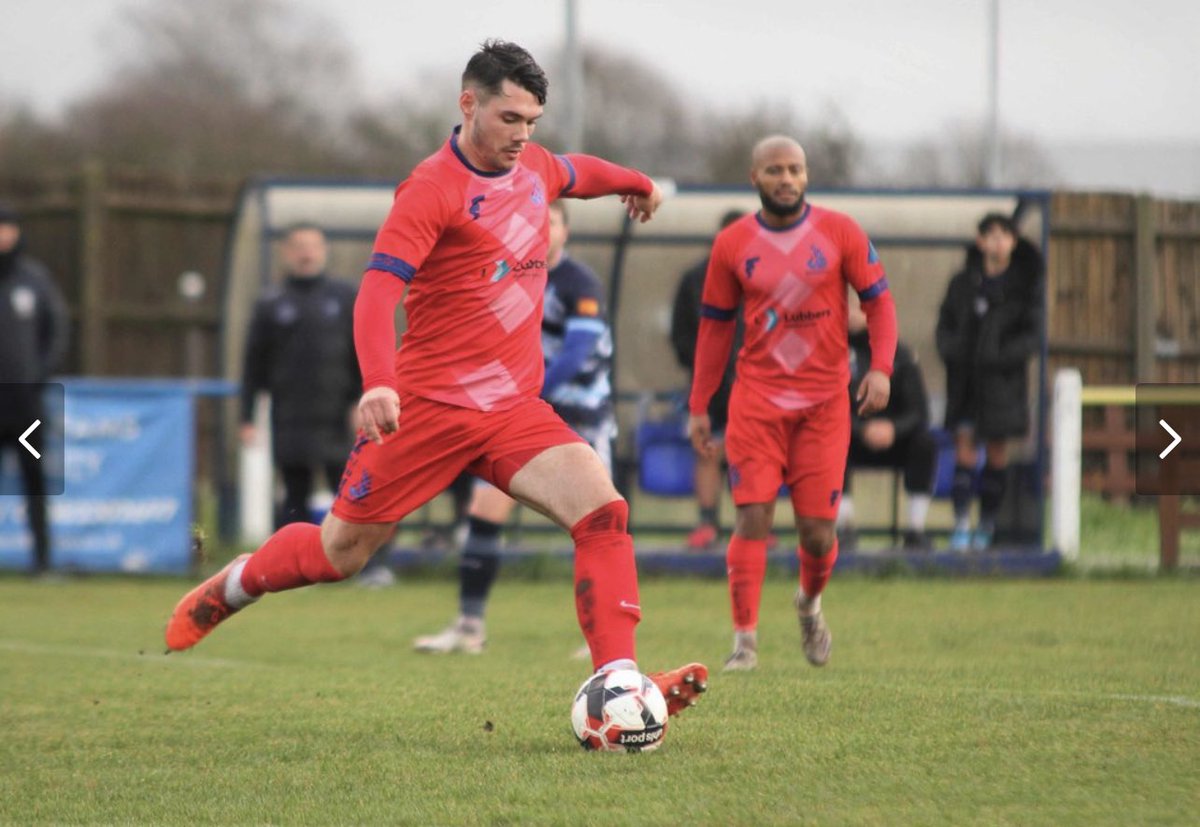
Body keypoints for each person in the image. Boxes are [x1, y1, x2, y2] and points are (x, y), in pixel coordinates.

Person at [165, 40, 707, 715]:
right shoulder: (431, 189)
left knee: (603, 513)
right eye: (509, 118)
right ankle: (234, 585)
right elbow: (377, 292)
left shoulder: (534, 166)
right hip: (426, 408)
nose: (522, 135)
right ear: (468, 104)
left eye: (532, 121)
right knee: (340, 554)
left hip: (512, 410)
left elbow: (579, 171)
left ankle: (619, 684)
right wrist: (378, 381)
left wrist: (637, 182)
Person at [688, 136, 897, 672]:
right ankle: (744, 642)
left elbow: (879, 303)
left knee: (818, 534)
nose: (787, 179)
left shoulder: (840, 231)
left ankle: (808, 604)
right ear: (754, 177)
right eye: (775, 170)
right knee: (752, 517)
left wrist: (880, 368)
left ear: (806, 176)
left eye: (796, 169)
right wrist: (699, 404)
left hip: (824, 405)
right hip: (756, 401)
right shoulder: (732, 243)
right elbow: (714, 328)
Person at [413, 200, 616, 654]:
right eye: (534, 223)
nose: (543, 230)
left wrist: (529, 390)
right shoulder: (505, 275)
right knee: (485, 512)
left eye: (552, 222)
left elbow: (576, 352)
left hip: (581, 416)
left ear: (566, 230)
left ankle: (606, 637)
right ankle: (469, 627)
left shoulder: (578, 282)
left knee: (597, 521)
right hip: (519, 416)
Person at [240, 223, 360, 529]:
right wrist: (247, 417)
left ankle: (359, 555)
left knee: (349, 493)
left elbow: (361, 352)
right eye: (299, 247)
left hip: (337, 415)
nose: (307, 253)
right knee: (294, 495)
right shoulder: (271, 302)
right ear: (286, 252)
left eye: (313, 246)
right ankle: (293, 556)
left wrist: (362, 399)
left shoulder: (344, 296)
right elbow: (254, 363)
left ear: (324, 251)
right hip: (290, 415)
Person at [936, 212, 1043, 552]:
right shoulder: (963, 283)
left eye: (1004, 235)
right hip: (966, 384)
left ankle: (987, 525)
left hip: (1003, 386)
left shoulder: (1023, 288)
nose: (997, 242)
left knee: (997, 453)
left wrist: (999, 356)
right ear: (980, 241)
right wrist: (955, 352)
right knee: (965, 449)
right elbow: (945, 327)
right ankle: (960, 525)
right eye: (991, 235)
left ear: (1013, 242)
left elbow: (1032, 336)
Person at [670, 209, 745, 550]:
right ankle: (707, 523)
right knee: (707, 449)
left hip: (753, 383)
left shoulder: (766, 277)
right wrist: (705, 363)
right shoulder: (695, 280)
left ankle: (752, 523)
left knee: (753, 453)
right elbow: (681, 334)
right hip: (708, 385)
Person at [0, 202, 69, 575]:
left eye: (8, 227)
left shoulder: (34, 279)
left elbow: (56, 330)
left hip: (26, 408)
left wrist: (39, 373)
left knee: (34, 477)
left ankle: (41, 561)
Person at [839, 299, 936, 551]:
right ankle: (843, 526)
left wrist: (893, 428)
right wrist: (861, 430)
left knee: (925, 442)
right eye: (846, 308)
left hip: (896, 441)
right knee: (830, 440)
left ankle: (915, 529)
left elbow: (918, 411)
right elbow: (828, 407)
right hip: (853, 439)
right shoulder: (834, 354)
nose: (851, 315)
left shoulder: (901, 355)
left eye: (857, 308)